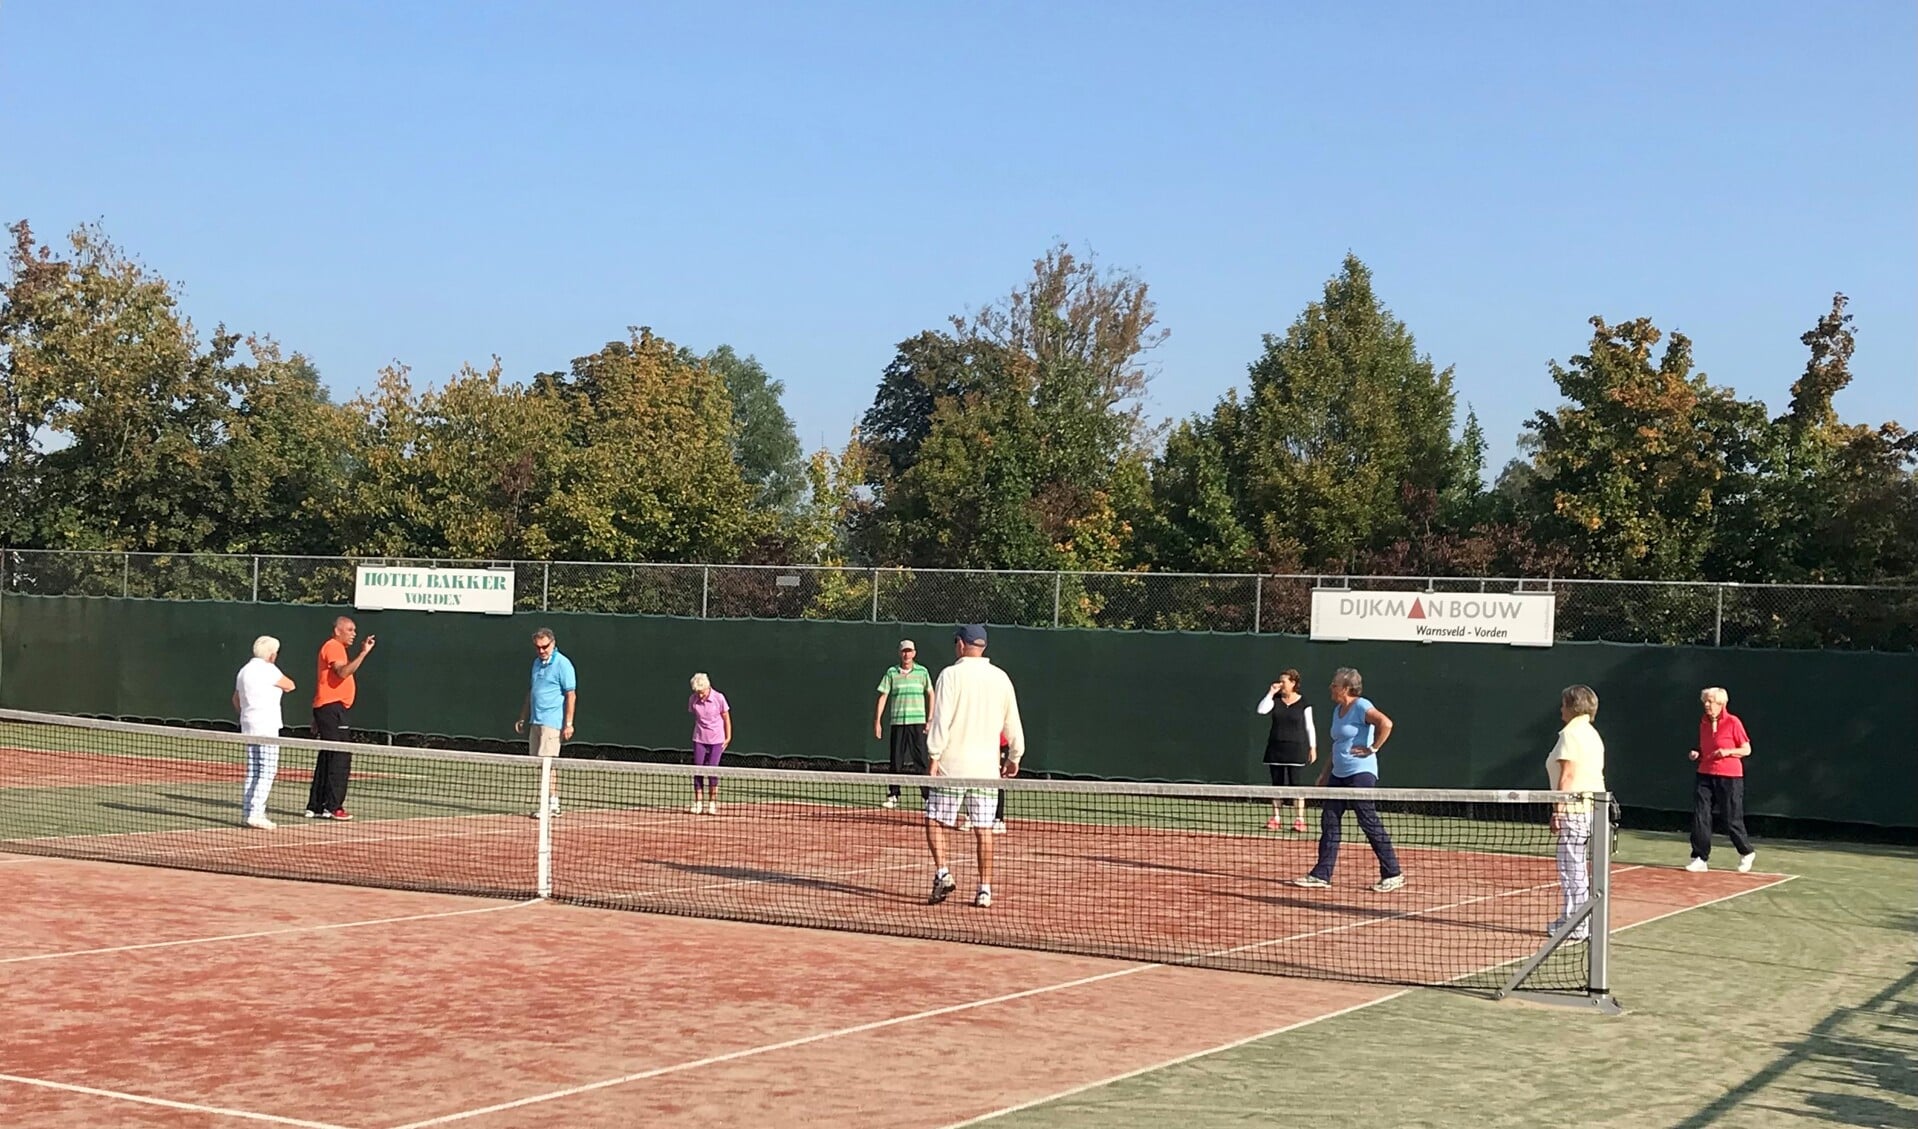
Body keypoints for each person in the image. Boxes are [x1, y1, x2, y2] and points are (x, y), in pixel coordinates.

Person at [924, 624, 1025, 908]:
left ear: (959, 644)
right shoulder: (1001, 678)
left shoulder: (950, 675)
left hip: (952, 767)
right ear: (983, 647)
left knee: (934, 820)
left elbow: (941, 721)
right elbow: (1013, 722)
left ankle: (943, 872)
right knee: (984, 830)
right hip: (986, 770)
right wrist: (1015, 757)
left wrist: (933, 757)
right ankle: (984, 890)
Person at [1293, 667, 1404, 893]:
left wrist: (1372, 748)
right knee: (1330, 821)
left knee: (1368, 820)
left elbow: (1387, 723)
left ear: (1346, 688)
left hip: (1360, 774)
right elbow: (1337, 746)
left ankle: (1393, 873)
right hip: (1338, 774)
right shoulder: (1337, 710)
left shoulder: (1362, 705)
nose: (1330, 688)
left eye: (1334, 685)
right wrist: (1325, 774)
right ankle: (1321, 874)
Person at [1545, 684, 1606, 942]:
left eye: (1563, 704)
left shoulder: (1571, 734)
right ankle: (1576, 920)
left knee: (1572, 869)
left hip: (1575, 810)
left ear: (1572, 706)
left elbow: (1567, 775)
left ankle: (1577, 924)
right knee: (1575, 868)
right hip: (1593, 809)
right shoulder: (1591, 733)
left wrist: (1558, 810)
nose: (1561, 708)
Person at [306, 616, 374, 820]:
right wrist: (363, 653)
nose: (354, 633)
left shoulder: (336, 648)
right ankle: (333, 806)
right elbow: (343, 672)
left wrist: (317, 717)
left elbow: (326, 681)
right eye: (350, 629)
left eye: (355, 630)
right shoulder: (334, 646)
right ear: (338, 630)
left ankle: (316, 805)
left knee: (328, 755)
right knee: (340, 756)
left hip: (328, 709)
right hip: (332, 709)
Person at [1687, 686, 1756, 873]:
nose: (1707, 705)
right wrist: (1697, 753)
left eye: (1711, 702)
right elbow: (1705, 747)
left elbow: (1746, 749)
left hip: (1730, 777)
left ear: (1721, 703)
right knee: (1701, 815)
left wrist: (1728, 752)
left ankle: (1746, 852)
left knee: (1731, 818)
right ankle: (1700, 857)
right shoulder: (1703, 723)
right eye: (1705, 702)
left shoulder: (1733, 722)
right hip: (1705, 773)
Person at [513, 627, 576, 818]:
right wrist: (523, 716)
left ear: (553, 643)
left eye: (544, 647)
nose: (541, 651)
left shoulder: (563, 664)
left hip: (552, 722)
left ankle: (548, 804)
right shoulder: (536, 664)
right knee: (542, 764)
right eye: (538, 647)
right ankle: (553, 802)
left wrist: (569, 723)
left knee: (547, 763)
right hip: (536, 721)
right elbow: (532, 691)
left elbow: (571, 695)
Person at [233, 635, 295, 830]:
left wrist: (247, 713)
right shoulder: (268, 669)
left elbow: (236, 699)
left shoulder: (244, 671)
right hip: (266, 726)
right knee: (267, 770)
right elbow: (290, 685)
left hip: (249, 725)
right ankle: (256, 813)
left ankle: (248, 811)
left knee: (254, 770)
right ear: (271, 654)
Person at [874, 639, 934, 810]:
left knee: (921, 761)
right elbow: (883, 697)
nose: (907, 654)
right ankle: (893, 795)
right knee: (896, 761)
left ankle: (927, 797)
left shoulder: (922, 672)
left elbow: (931, 693)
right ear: (900, 653)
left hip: (918, 723)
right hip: (898, 723)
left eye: (909, 651)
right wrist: (877, 721)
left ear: (914, 653)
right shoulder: (891, 673)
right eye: (904, 651)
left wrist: (930, 719)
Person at [1256, 669, 1317, 832]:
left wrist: (1313, 747)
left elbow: (1309, 726)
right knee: (1276, 785)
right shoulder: (1274, 699)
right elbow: (1261, 710)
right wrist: (1270, 693)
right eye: (1280, 681)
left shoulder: (1304, 702)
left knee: (1296, 786)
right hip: (1275, 749)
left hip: (1295, 749)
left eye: (1284, 681)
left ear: (1293, 683)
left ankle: (1299, 820)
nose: (1281, 684)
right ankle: (1276, 818)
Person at [688, 673, 730, 815]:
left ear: (708, 687)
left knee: (712, 770)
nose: (699, 695)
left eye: (702, 692)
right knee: (698, 770)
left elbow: (726, 718)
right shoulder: (693, 700)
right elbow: (696, 717)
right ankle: (698, 802)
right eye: (697, 692)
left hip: (717, 740)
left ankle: (712, 803)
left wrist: (728, 737)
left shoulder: (719, 698)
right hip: (699, 739)